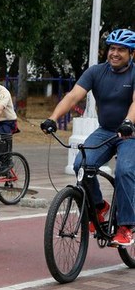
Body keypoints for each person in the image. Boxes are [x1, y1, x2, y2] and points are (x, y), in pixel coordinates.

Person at [41, 28, 135, 247]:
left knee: (125, 171)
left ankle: (127, 226)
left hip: (130, 133)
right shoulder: (96, 72)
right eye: (112, 48)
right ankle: (99, 205)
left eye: (121, 50)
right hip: (106, 130)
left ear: (131, 54)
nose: (115, 53)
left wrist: (129, 122)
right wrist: (52, 118)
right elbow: (74, 95)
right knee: (81, 164)